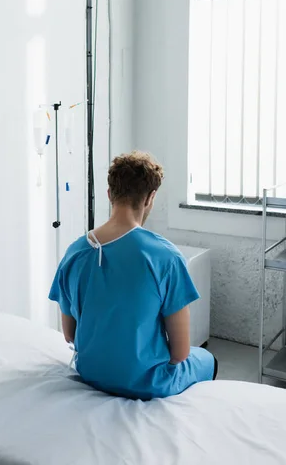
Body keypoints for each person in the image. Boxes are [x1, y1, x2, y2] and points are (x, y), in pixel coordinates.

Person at [49, 151, 217, 400]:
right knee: (208, 358)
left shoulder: (74, 252)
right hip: (146, 383)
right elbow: (180, 353)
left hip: (91, 372)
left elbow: (70, 335)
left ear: (109, 194)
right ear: (150, 198)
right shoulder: (165, 257)